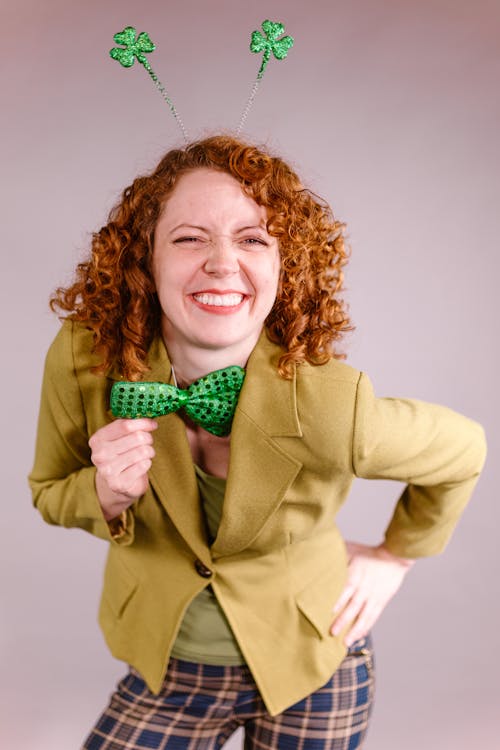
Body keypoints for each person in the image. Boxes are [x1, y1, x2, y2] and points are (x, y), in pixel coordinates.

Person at [29, 135, 486, 749]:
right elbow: (50, 493)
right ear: (146, 258)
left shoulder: (331, 403)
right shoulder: (84, 359)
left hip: (310, 660)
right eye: (189, 238)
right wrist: (105, 492)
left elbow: (464, 450)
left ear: (283, 264)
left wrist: (396, 555)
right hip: (165, 661)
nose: (222, 263)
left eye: (252, 239)